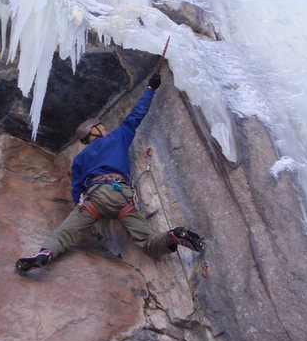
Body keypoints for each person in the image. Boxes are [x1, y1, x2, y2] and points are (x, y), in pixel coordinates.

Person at [15, 72, 205, 273]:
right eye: (102, 127)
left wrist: (82, 208)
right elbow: (136, 115)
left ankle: (45, 253)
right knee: (147, 241)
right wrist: (150, 89)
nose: (105, 130)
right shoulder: (117, 138)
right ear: (94, 131)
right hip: (122, 197)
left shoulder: (80, 159)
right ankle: (172, 236)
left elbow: (76, 191)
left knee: (64, 234)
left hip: (95, 200)